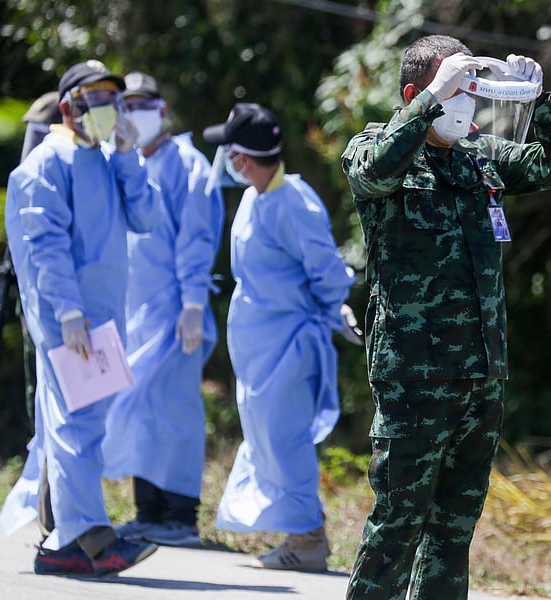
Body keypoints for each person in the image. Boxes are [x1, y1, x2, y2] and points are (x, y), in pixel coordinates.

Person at [341, 34, 551, 599]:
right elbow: (372, 175)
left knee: (453, 532)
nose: (465, 104)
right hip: (414, 379)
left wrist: (536, 99)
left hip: (482, 377)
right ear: (416, 92)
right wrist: (434, 95)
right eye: (457, 90)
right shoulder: (377, 146)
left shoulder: (479, 157)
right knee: (398, 525)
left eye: (469, 91)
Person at [0, 59, 159, 577]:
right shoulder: (48, 163)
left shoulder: (106, 160)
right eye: (97, 99)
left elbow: (145, 216)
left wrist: (130, 155)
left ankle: (67, 540)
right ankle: (85, 538)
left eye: (114, 98)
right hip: (71, 321)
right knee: (77, 428)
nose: (109, 109)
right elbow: (44, 246)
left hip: (100, 320)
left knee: (78, 427)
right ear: (69, 107)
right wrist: (67, 312)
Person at [202, 102, 362, 572]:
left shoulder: (293, 202)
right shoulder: (257, 196)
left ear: (241, 159)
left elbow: (326, 269)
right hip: (261, 350)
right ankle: (297, 535)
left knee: (285, 439)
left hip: (289, 348)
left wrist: (338, 307)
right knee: (267, 440)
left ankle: (308, 540)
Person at [102, 71, 225, 547]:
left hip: (177, 319)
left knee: (174, 417)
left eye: (143, 105)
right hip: (134, 315)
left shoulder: (188, 166)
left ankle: (179, 516)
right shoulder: (125, 163)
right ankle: (147, 512)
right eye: (126, 106)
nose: (134, 114)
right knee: (138, 418)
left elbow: (196, 242)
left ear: (163, 111)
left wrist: (193, 304)